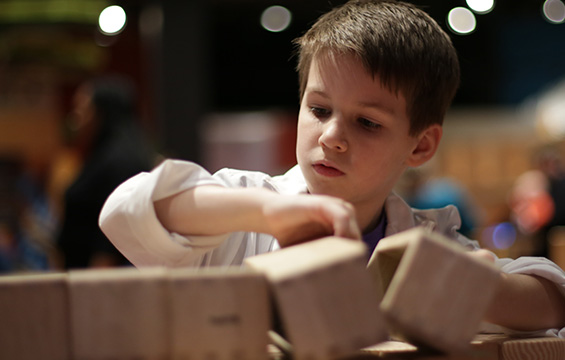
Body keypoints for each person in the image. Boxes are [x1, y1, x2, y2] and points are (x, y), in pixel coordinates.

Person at [100, 0, 565, 337]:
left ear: (421, 146)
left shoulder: (429, 243)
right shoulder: (241, 216)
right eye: (319, 110)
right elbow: (125, 209)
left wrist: (482, 291)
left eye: (366, 122)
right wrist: (266, 212)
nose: (331, 136)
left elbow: (552, 297)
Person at [55, 76, 155, 268]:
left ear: (101, 113)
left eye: (82, 109)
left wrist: (96, 288)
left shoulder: (119, 161)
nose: (75, 117)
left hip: (96, 283)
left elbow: (113, 237)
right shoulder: (101, 155)